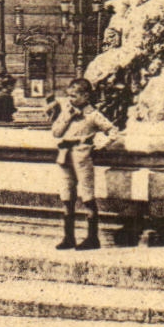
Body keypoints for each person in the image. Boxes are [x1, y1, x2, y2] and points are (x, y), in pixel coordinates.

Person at [49, 78, 121, 251]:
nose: (70, 99)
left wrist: (100, 146)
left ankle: (92, 238)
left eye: (74, 96)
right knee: (67, 195)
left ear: (86, 95)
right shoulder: (67, 112)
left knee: (87, 195)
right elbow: (56, 132)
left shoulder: (93, 114)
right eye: (69, 96)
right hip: (65, 156)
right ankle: (69, 237)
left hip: (82, 156)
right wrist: (68, 116)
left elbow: (113, 131)